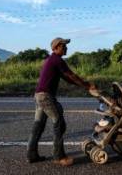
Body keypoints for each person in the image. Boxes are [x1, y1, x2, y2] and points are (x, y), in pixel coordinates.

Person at [27, 38, 98, 166]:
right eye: (63, 46)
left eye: (65, 46)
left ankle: (31, 155)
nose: (66, 48)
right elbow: (71, 75)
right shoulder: (57, 60)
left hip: (39, 95)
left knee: (38, 126)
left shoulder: (51, 60)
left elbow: (67, 78)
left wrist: (83, 86)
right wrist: (87, 85)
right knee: (59, 123)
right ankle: (59, 157)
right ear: (56, 47)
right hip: (45, 97)